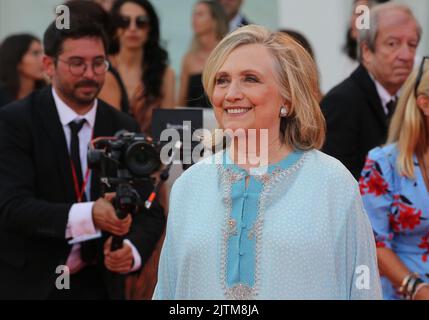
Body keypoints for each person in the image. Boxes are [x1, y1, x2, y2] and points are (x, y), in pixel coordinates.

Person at [153, 25, 382, 300]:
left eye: (250, 79)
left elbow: (363, 290)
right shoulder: (188, 186)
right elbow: (167, 291)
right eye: (222, 80)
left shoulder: (333, 182)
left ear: (287, 97)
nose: (231, 94)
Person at [0, 17, 165, 299]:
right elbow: (12, 207)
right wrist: (90, 215)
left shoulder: (122, 125)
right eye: (77, 63)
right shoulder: (15, 121)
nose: (90, 73)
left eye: (99, 63)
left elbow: (149, 208)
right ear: (49, 65)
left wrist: (131, 251)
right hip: (32, 283)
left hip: (100, 284)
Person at [321, 3, 421, 180]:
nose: (406, 56)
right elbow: (335, 184)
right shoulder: (341, 102)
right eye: (393, 44)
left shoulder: (415, 99)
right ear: (366, 51)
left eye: (412, 45)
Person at [360, 56, 429, 300]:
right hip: (399, 290)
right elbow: (373, 243)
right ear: (424, 104)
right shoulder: (384, 163)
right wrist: (418, 290)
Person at [99, 0, 175, 135]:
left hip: (152, 153)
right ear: (115, 28)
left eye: (141, 22)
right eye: (124, 21)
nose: (132, 28)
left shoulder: (165, 74)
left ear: (150, 28)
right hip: (107, 150)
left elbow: (169, 128)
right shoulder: (101, 66)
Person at [177, 0, 228, 109]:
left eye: (200, 14)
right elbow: (181, 102)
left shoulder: (227, 52)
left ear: (214, 20)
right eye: (193, 14)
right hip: (194, 122)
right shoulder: (188, 59)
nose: (194, 19)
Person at [0, 34, 46, 107]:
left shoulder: (48, 93)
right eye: (35, 53)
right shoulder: (2, 97)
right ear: (16, 59)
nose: (43, 59)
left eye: (42, 52)